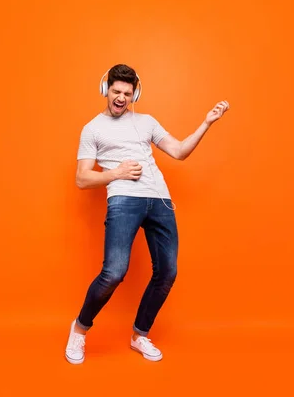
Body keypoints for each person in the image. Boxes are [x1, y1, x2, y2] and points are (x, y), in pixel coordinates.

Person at [65, 63, 229, 364]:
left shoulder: (147, 122)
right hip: (124, 200)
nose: (121, 98)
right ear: (106, 90)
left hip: (160, 200)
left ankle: (140, 335)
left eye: (127, 93)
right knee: (114, 272)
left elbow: (179, 151)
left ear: (134, 94)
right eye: (116, 91)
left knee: (167, 272)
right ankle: (79, 329)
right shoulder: (93, 129)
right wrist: (116, 173)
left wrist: (206, 123)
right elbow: (81, 178)